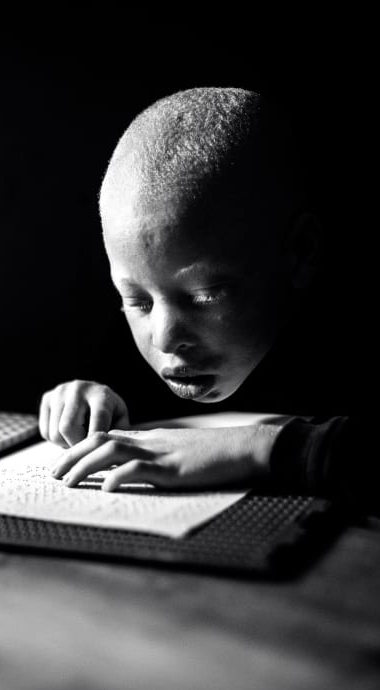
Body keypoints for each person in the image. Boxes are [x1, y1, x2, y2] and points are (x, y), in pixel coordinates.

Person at [38, 87, 375, 507]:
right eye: (137, 301)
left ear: (302, 254)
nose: (164, 339)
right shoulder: (126, 353)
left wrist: (259, 447)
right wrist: (88, 406)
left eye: (204, 296)